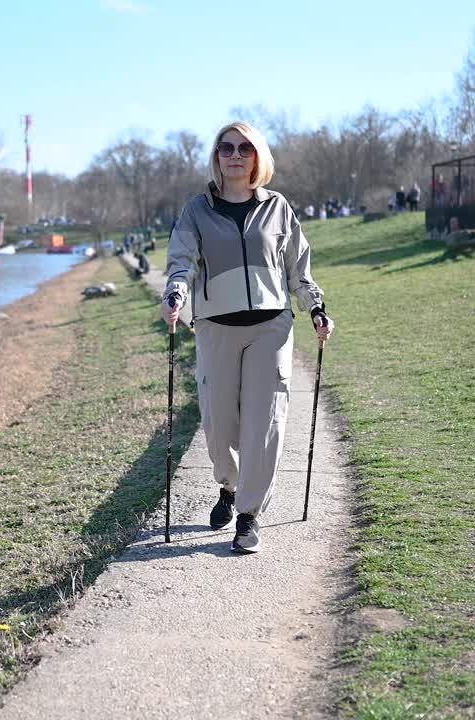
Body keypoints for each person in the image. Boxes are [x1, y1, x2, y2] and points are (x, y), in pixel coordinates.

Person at [161, 121, 333, 554]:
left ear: (258, 156)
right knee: (219, 423)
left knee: (265, 420)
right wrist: (175, 292)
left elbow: (298, 267)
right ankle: (230, 485)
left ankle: (249, 515)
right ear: (216, 156)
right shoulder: (196, 210)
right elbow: (180, 260)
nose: (235, 155)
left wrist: (315, 307)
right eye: (226, 147)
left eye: (245, 148)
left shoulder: (277, 208)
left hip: (270, 327)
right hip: (217, 328)